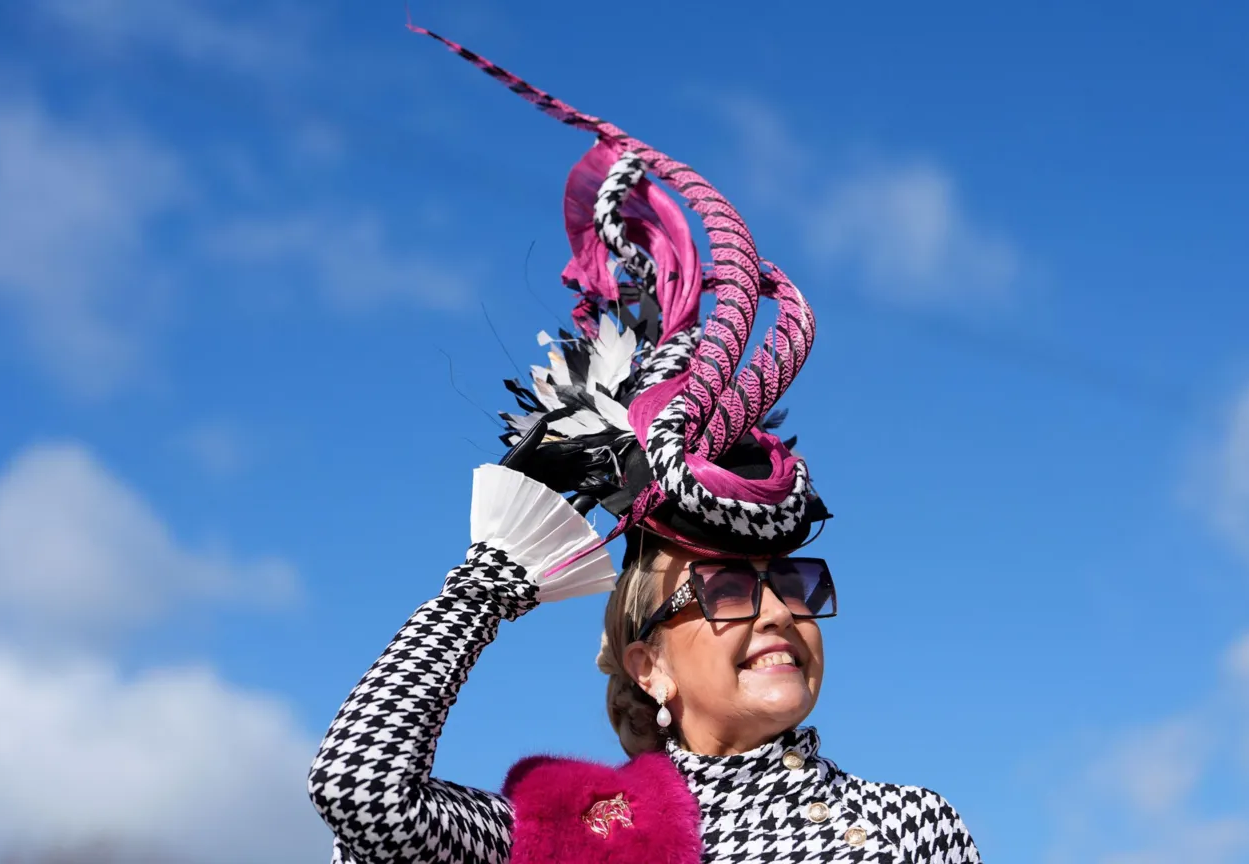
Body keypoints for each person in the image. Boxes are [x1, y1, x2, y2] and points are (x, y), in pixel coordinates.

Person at [307, 23, 982, 864]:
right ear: (648, 665)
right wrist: (492, 577)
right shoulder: (580, 831)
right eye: (728, 588)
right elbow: (359, 789)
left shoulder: (908, 824)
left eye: (792, 583)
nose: (777, 611)